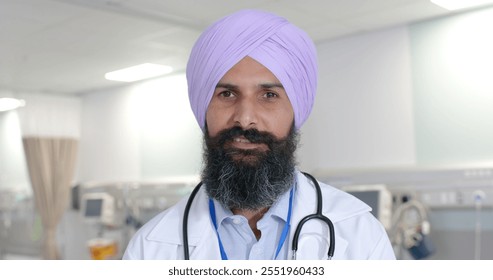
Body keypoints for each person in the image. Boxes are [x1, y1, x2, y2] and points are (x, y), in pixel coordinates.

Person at [123, 9, 395, 260]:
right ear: (203, 107)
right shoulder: (149, 250)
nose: (245, 118)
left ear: (296, 110)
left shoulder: (360, 236)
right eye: (227, 94)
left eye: (269, 95)